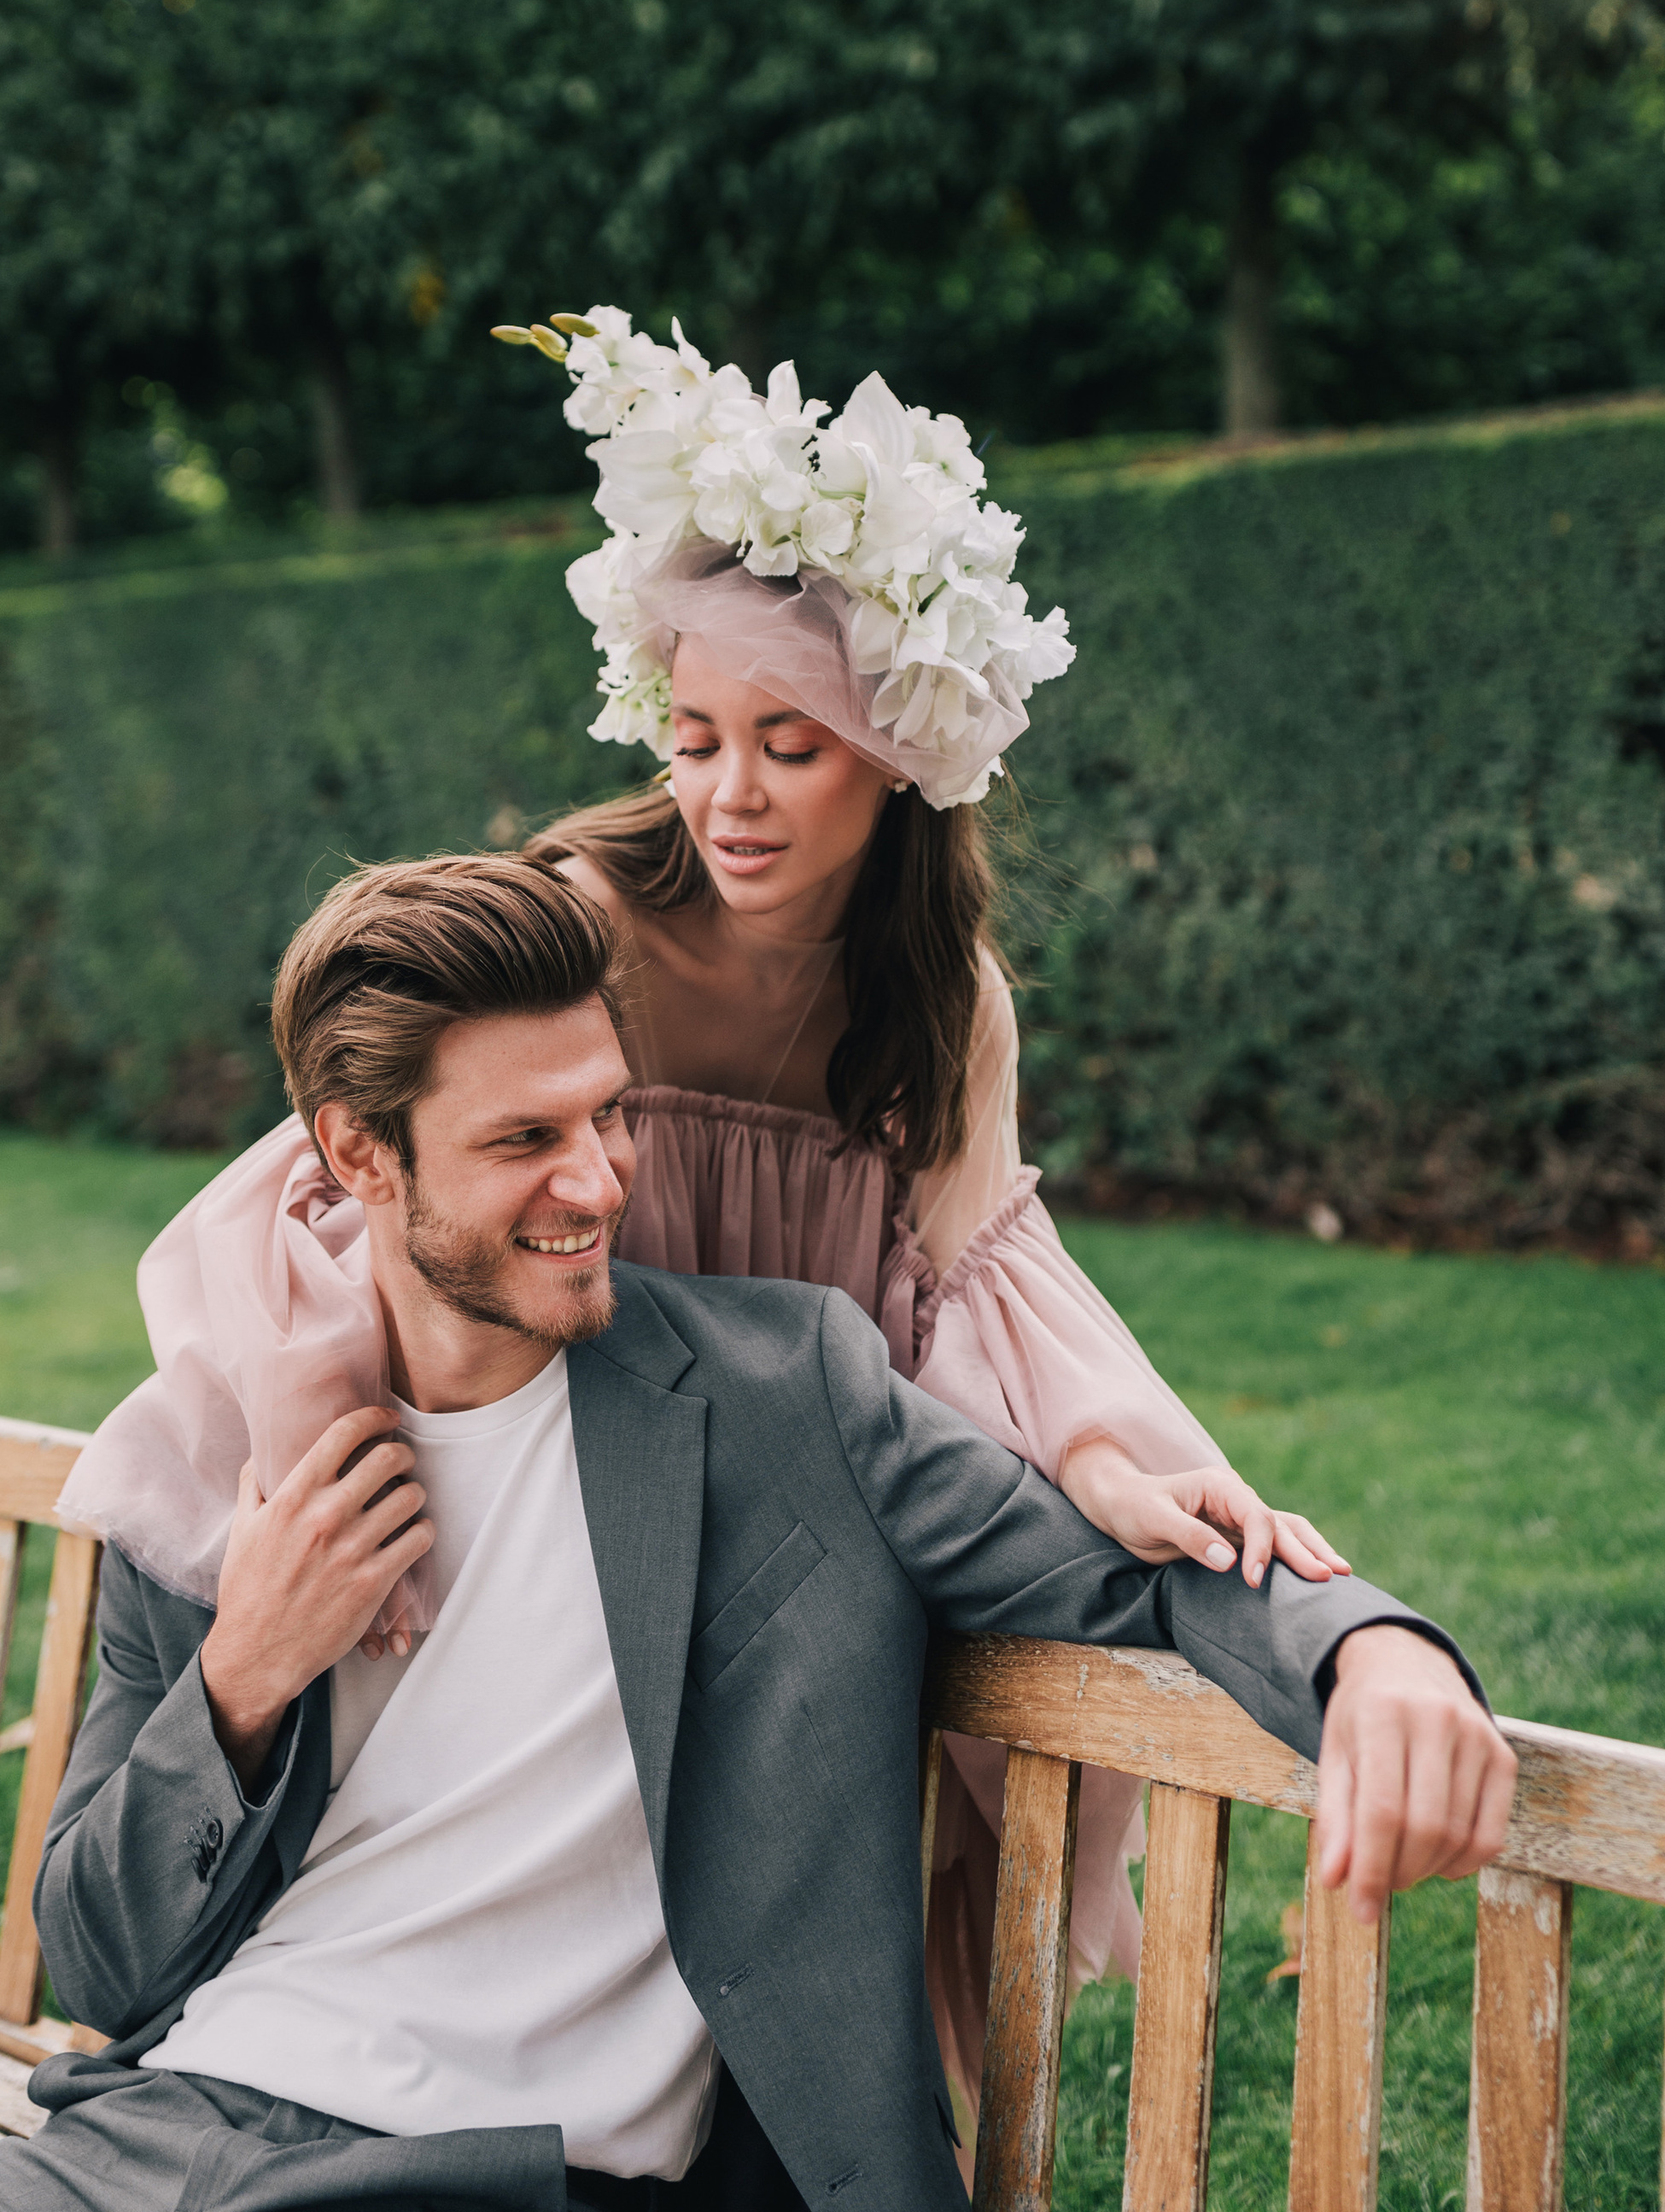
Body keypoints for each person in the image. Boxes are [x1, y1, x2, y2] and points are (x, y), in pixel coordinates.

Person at [0, 858, 1513, 2212]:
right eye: (526, 1139)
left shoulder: (785, 1391)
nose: (602, 1180)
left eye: (607, 1113)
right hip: (123, 2168)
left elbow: (1130, 1568)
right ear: (354, 1158)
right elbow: (97, 1953)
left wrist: (1372, 1652)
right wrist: (245, 1670)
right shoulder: (230, 1464)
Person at [508, 306, 1350, 2109]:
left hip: (817, 1518)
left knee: (833, 1885)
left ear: (895, 749)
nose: (726, 793)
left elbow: (975, 1279)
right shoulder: (576, 916)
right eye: (695, 733)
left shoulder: (941, 1000)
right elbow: (437, 1178)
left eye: (787, 745)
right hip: (572, 1482)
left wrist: (1107, 1458)